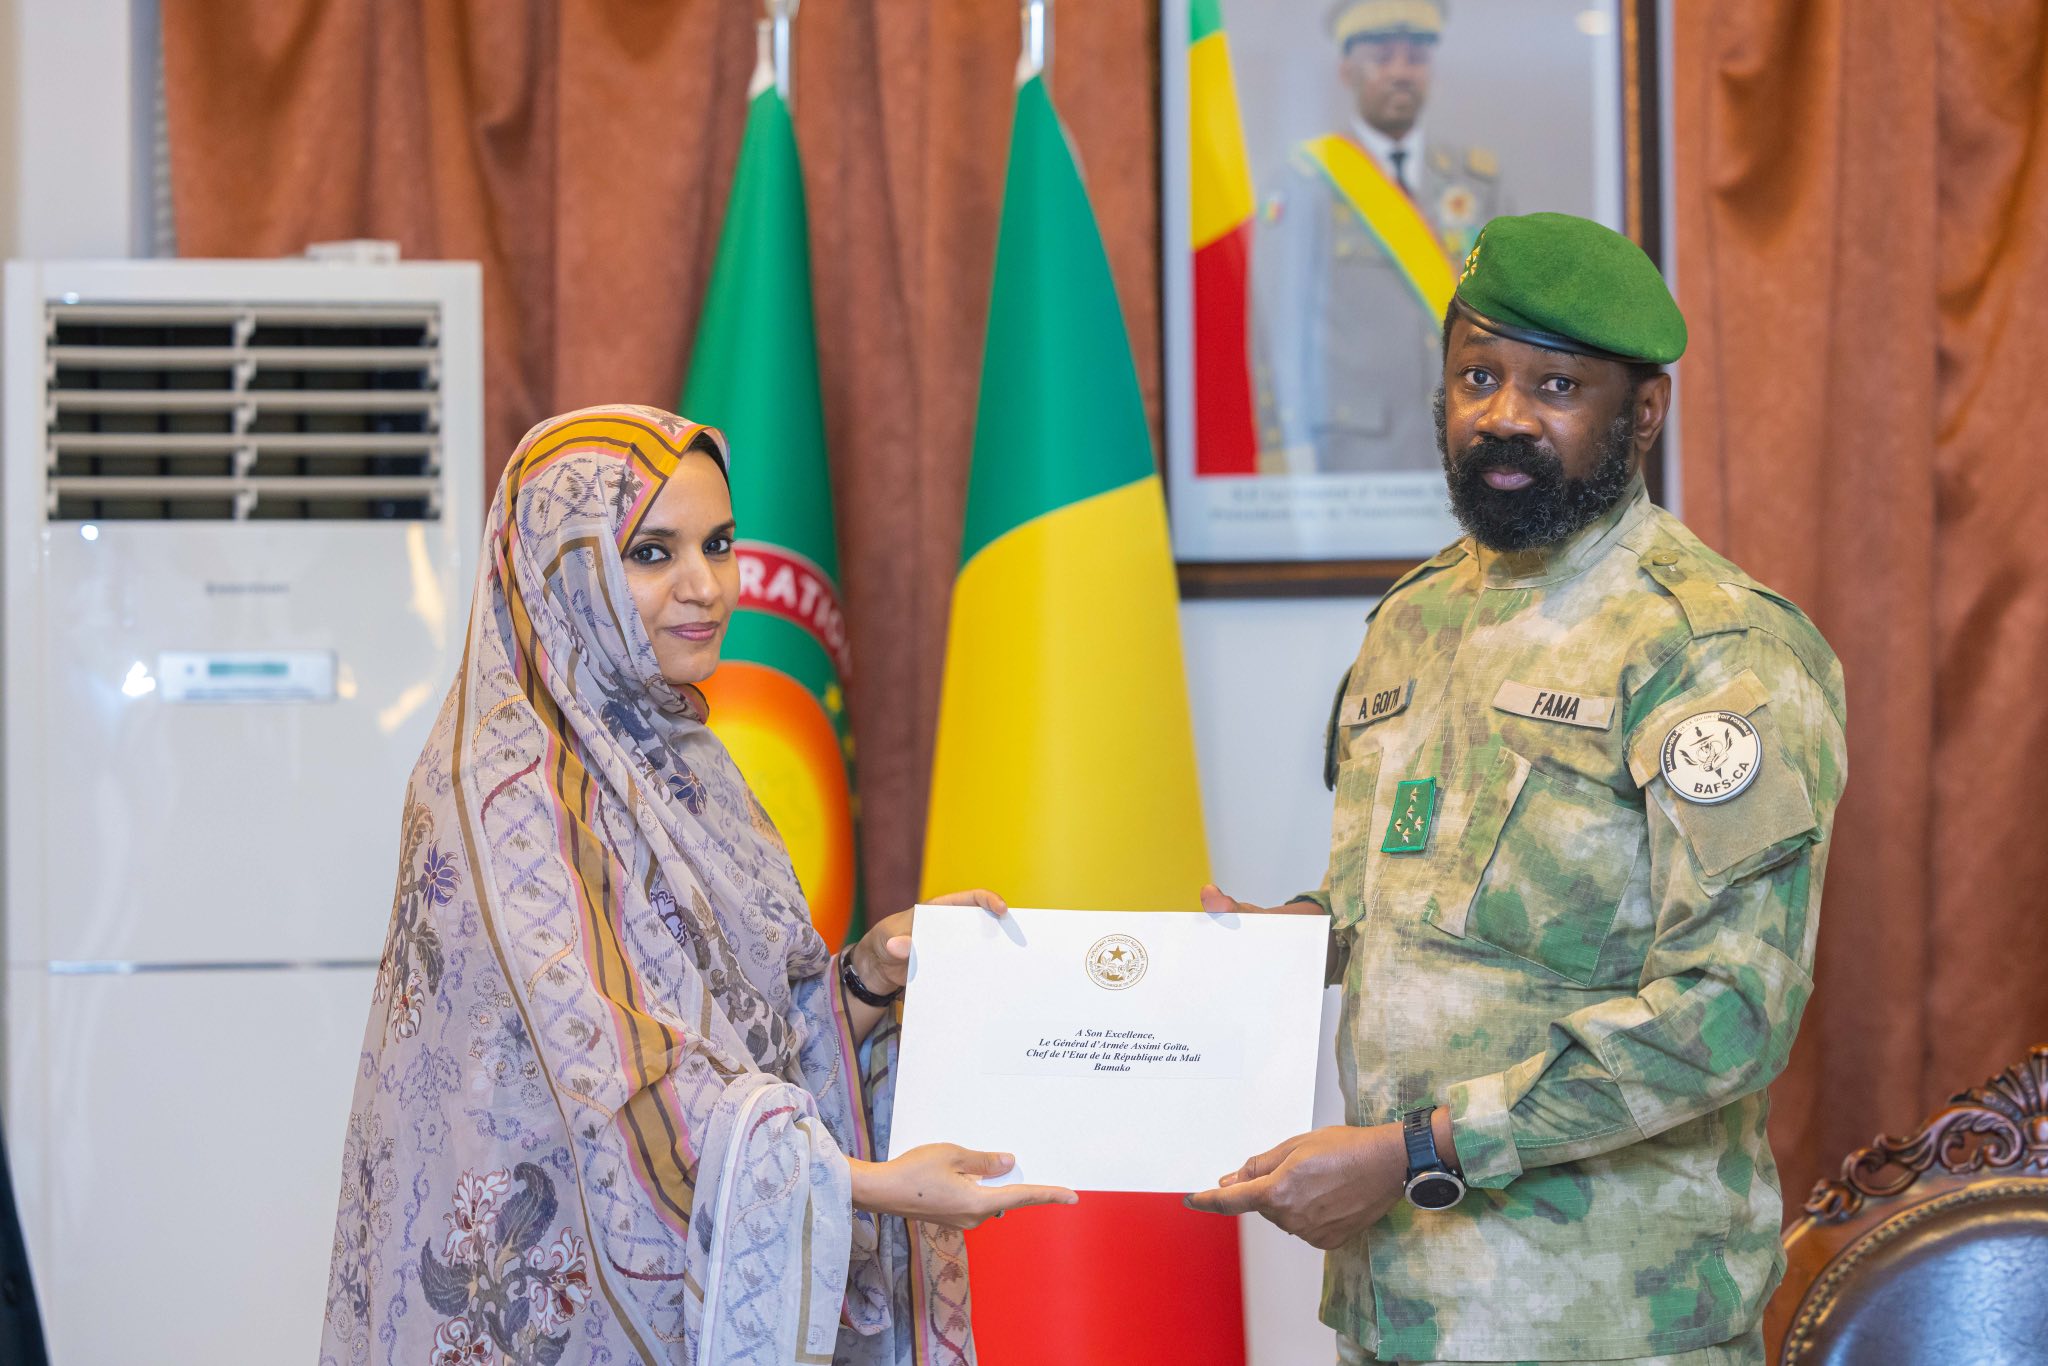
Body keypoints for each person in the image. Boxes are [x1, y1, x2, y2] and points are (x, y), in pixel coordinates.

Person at [1189, 214, 1847, 1365]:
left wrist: (1414, 1151)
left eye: (1555, 386)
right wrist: (1282, 943)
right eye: (1476, 376)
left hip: (1606, 1320)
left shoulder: (1707, 647)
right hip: (1398, 1304)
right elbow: (1400, 903)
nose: (1502, 415)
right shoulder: (1411, 619)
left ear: (1642, 412)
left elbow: (1728, 1009)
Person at [318, 405, 1074, 1366]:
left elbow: (746, 1038)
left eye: (717, 543)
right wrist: (867, 1186)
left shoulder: (678, 758)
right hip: (560, 1309)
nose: (705, 586)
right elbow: (622, 1089)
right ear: (562, 573)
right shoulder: (507, 790)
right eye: (650, 553)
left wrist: (865, 981)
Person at [1255, 0, 1505, 475]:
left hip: (1464, 449)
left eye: (1416, 57)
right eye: (1382, 57)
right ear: (1347, 70)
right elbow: (1279, 330)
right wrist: (1284, 441)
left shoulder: (1475, 182)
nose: (1400, 72)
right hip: (1352, 454)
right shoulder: (1304, 184)